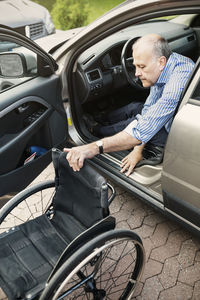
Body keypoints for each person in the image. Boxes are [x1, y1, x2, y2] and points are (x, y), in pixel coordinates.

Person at [64, 34, 194, 176]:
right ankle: (100, 118)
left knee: (134, 122)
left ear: (161, 62)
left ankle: (95, 129)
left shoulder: (177, 83)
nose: (137, 73)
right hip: (176, 120)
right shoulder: (169, 63)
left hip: (178, 137)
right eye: (135, 66)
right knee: (136, 107)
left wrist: (93, 148)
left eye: (142, 66)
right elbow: (148, 108)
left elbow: (141, 130)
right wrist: (138, 147)